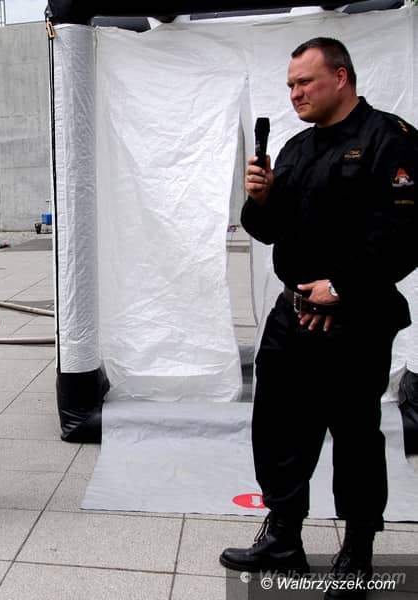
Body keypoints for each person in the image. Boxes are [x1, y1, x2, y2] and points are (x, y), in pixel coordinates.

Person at [220, 38, 417, 598]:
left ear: (341, 77)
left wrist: (343, 287)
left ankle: (357, 552)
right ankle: (283, 537)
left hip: (356, 319)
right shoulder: (297, 147)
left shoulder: (390, 139)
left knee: (354, 437)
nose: (295, 93)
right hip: (293, 315)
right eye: (290, 85)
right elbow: (270, 230)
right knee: (278, 428)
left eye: (304, 82)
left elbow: (405, 233)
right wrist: (261, 198)